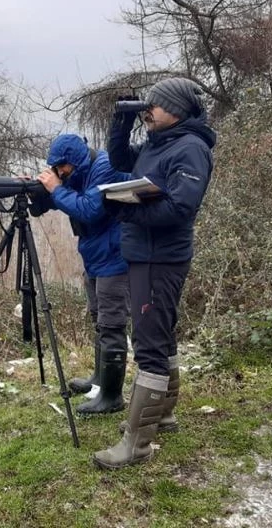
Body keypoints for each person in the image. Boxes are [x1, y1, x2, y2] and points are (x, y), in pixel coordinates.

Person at [93, 77, 216, 469]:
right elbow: (117, 159)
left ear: (176, 110)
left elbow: (181, 208)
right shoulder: (158, 143)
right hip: (145, 253)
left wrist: (126, 209)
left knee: (148, 345)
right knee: (160, 334)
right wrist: (121, 118)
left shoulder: (191, 149)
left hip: (160, 257)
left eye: (154, 106)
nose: (149, 111)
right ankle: (164, 414)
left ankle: (137, 445)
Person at [28, 133, 131, 415]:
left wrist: (56, 189)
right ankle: (99, 380)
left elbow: (89, 209)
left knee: (111, 325)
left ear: (74, 160)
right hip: (96, 257)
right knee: (99, 320)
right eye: (56, 168)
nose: (60, 172)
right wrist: (39, 191)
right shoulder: (78, 172)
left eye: (62, 167)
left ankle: (112, 397)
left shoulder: (105, 166)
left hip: (116, 257)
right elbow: (61, 198)